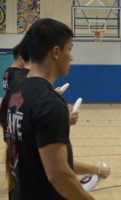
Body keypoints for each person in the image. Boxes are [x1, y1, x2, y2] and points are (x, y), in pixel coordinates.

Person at [0, 18, 110, 200]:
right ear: (56, 52)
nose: (72, 57)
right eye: (70, 49)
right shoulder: (50, 102)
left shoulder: (16, 91)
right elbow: (59, 175)